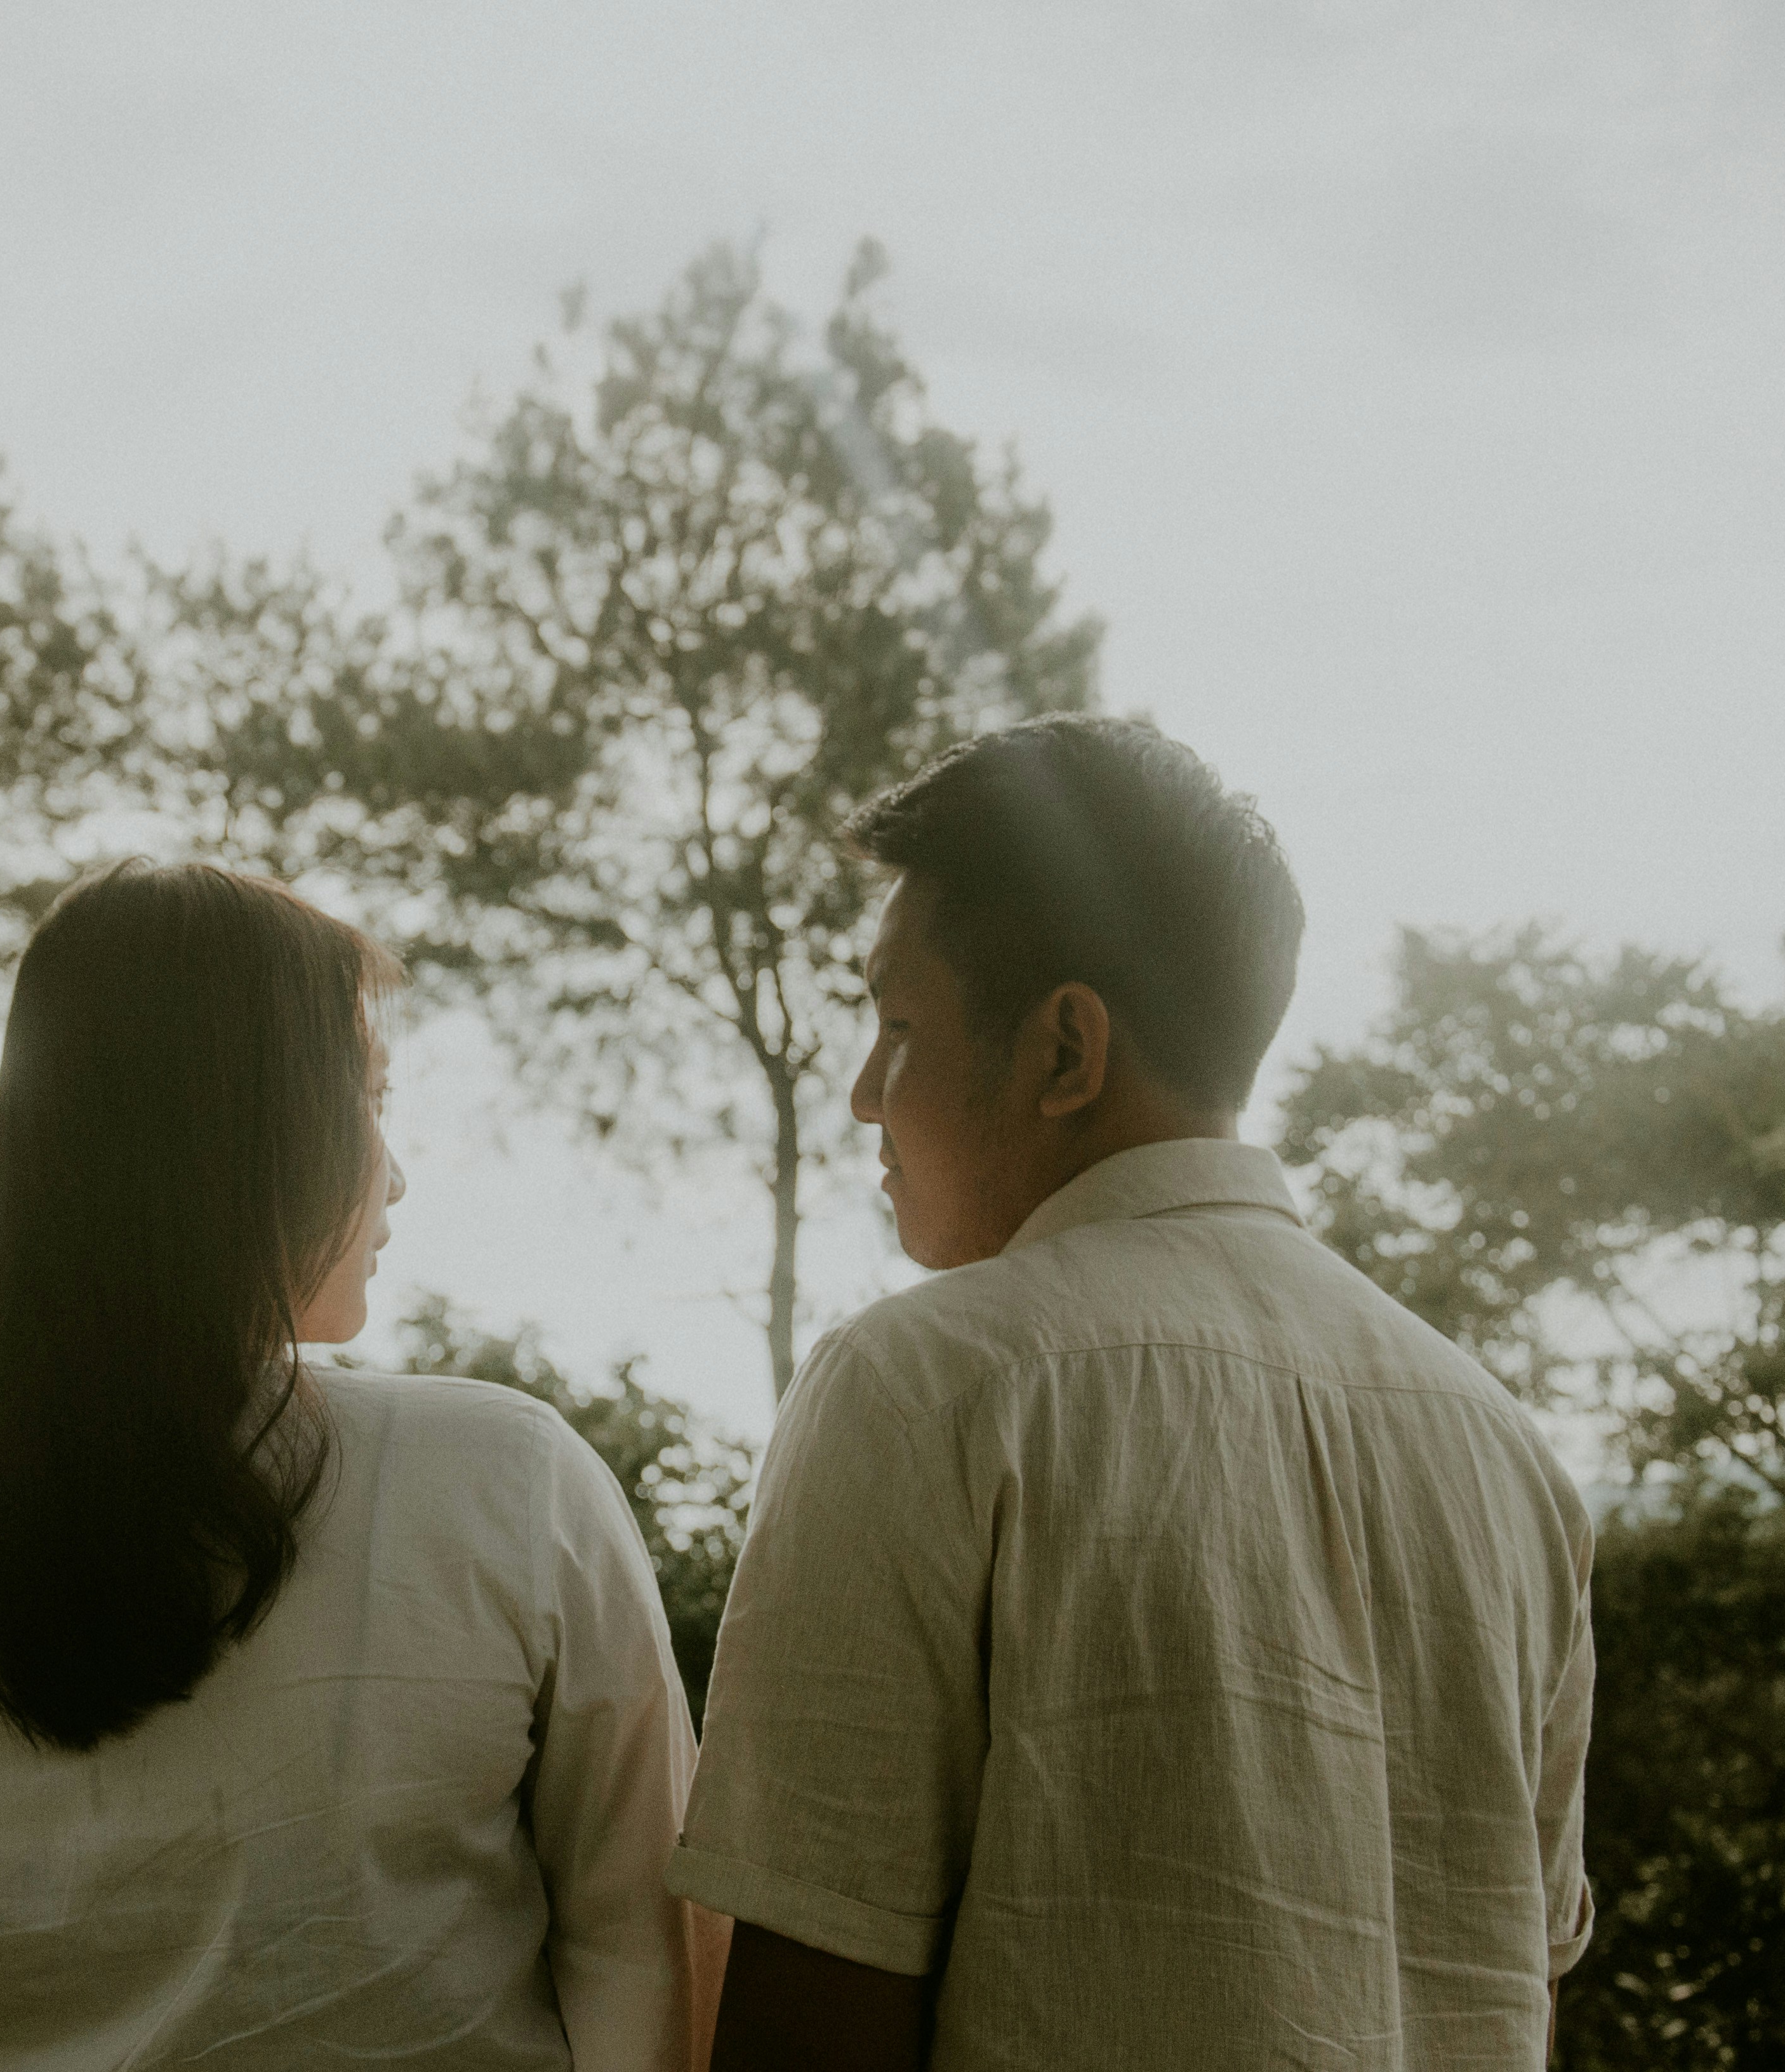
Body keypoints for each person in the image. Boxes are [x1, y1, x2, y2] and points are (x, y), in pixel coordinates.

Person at [674, 717, 1594, 2070]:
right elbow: (1513, 1973)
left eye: (897, 1024)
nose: (867, 1093)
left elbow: (812, 2017)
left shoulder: (928, 1385)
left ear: (1064, 1051)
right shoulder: (1506, 1451)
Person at [0, 860, 719, 2069]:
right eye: (371, 1097)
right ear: (260, 1125)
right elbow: (648, 1965)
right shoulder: (509, 1487)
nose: (395, 1171)